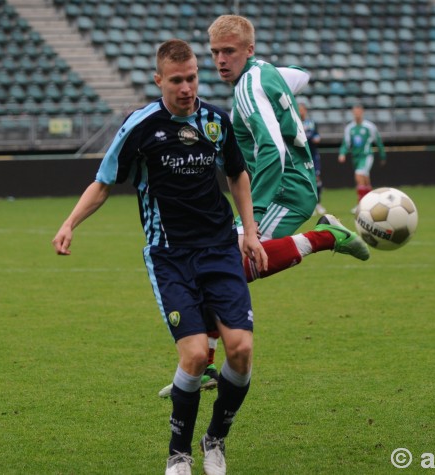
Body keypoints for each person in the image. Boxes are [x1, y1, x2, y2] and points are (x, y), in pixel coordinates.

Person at [52, 39, 268, 475]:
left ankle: (215, 441)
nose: (187, 88)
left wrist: (251, 232)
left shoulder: (215, 120)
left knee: (241, 350)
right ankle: (178, 454)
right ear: (159, 81)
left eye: (191, 77)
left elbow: (237, 173)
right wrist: (70, 222)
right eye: (176, 81)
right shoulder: (141, 126)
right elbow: (104, 182)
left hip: (221, 248)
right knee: (193, 357)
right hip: (169, 256)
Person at [157, 14, 370, 397]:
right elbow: (301, 75)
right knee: (217, 269)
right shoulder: (262, 72)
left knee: (236, 263)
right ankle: (204, 365)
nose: (221, 60)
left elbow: (272, 149)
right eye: (216, 53)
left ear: (249, 50)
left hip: (285, 190)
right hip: (288, 185)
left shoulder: (247, 89)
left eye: (230, 52)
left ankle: (326, 238)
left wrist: (251, 217)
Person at [338, 104, 386, 213]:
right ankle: (372, 203)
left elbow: (378, 141)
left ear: (362, 112)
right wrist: (342, 153)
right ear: (353, 113)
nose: (357, 114)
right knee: (365, 181)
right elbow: (346, 143)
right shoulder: (350, 128)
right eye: (355, 112)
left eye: (359, 111)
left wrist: (382, 155)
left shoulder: (369, 126)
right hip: (356, 157)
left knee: (359, 176)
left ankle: (361, 205)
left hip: (366, 155)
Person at [299, 100, 326, 215]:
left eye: (302, 109)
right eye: (298, 109)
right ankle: (308, 206)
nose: (300, 111)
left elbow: (316, 135)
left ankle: (318, 204)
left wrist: (317, 138)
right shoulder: (294, 122)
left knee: (317, 178)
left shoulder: (311, 123)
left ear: (305, 110)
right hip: (301, 155)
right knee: (304, 180)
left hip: (313, 155)